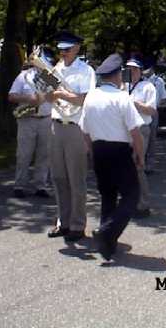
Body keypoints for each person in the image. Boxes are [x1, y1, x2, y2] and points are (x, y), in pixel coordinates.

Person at [80, 54, 145, 260]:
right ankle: (106, 231)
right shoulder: (122, 97)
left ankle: (107, 246)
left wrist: (91, 150)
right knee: (131, 195)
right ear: (117, 76)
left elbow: (84, 130)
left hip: (99, 149)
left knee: (107, 196)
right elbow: (135, 132)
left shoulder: (91, 97)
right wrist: (139, 155)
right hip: (119, 150)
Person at [45, 31, 96, 243]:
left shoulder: (86, 71)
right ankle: (62, 222)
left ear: (77, 48)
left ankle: (77, 225)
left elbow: (86, 99)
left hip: (75, 126)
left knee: (76, 179)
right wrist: (48, 93)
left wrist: (61, 95)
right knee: (58, 178)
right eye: (61, 49)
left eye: (67, 49)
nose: (63, 53)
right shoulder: (55, 69)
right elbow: (47, 94)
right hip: (56, 124)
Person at [8, 50, 54, 198]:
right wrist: (29, 98)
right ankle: (19, 185)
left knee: (44, 155)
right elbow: (11, 96)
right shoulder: (24, 76)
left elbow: (59, 97)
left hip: (46, 119)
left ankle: (40, 185)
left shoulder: (52, 77)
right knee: (24, 154)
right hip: (27, 119)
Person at [124, 53, 157, 218]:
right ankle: (129, 201)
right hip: (124, 130)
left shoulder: (148, 87)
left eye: (134, 69)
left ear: (140, 70)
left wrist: (135, 104)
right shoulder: (123, 85)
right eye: (129, 68)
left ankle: (143, 204)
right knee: (125, 167)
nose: (131, 71)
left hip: (141, 128)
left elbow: (152, 110)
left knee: (138, 166)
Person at [143, 58, 166, 173]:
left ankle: (150, 164)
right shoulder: (141, 80)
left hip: (153, 111)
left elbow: (164, 97)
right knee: (141, 137)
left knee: (152, 138)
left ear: (152, 69)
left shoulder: (159, 81)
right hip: (141, 112)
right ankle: (140, 161)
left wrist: (156, 104)